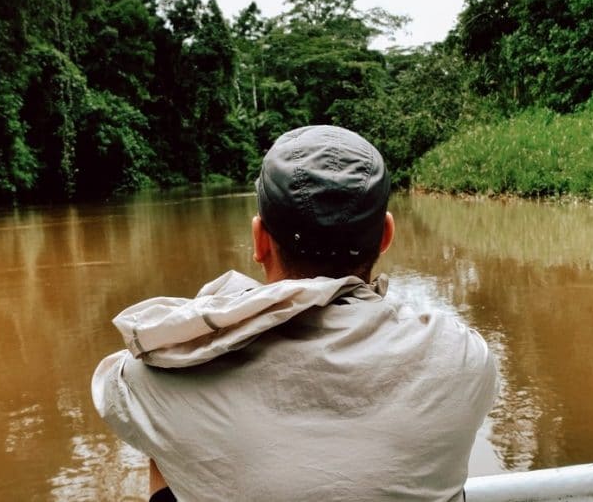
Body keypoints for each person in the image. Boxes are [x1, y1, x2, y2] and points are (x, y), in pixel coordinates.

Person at [91, 125, 497, 502]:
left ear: (259, 240)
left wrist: (231, 308)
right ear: (386, 235)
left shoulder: (158, 377)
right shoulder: (464, 357)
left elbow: (114, 383)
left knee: (163, 444)